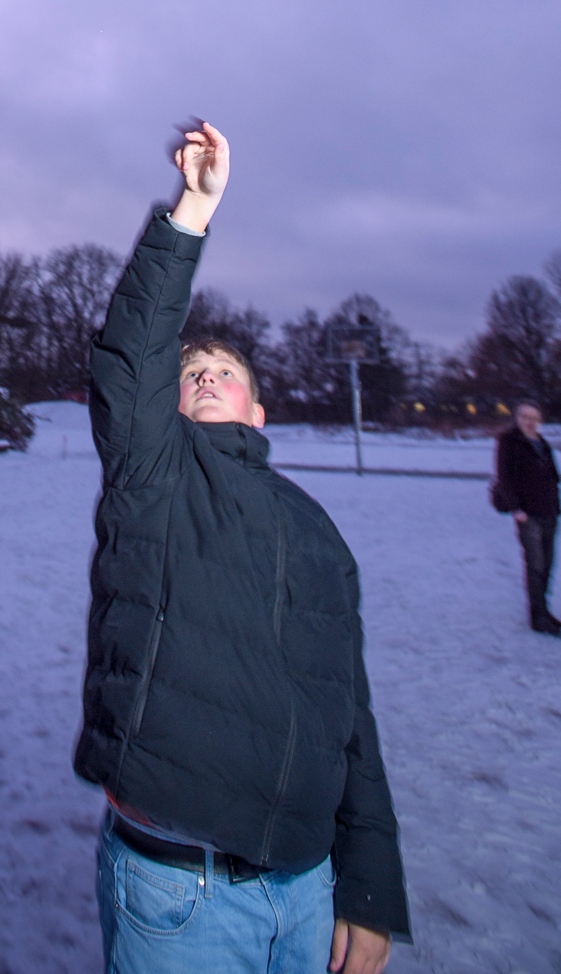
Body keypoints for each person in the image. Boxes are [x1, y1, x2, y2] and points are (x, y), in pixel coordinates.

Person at [77, 123, 410, 974]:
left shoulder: (315, 530)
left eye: (226, 369)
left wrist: (367, 886)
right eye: (192, 371)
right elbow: (130, 358)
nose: (207, 373)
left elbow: (351, 715)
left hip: (305, 891)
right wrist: (194, 207)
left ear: (259, 413)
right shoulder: (154, 478)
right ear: (172, 403)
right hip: (181, 894)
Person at [495, 400, 561, 636]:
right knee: (535, 565)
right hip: (528, 515)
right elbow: (504, 477)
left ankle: (545, 611)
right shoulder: (509, 442)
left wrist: (557, 506)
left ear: (540, 421)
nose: (529, 421)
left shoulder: (542, 443)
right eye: (525, 417)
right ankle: (537, 617)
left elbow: (553, 477)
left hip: (550, 512)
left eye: (534, 418)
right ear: (517, 418)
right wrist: (516, 508)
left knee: (548, 564)